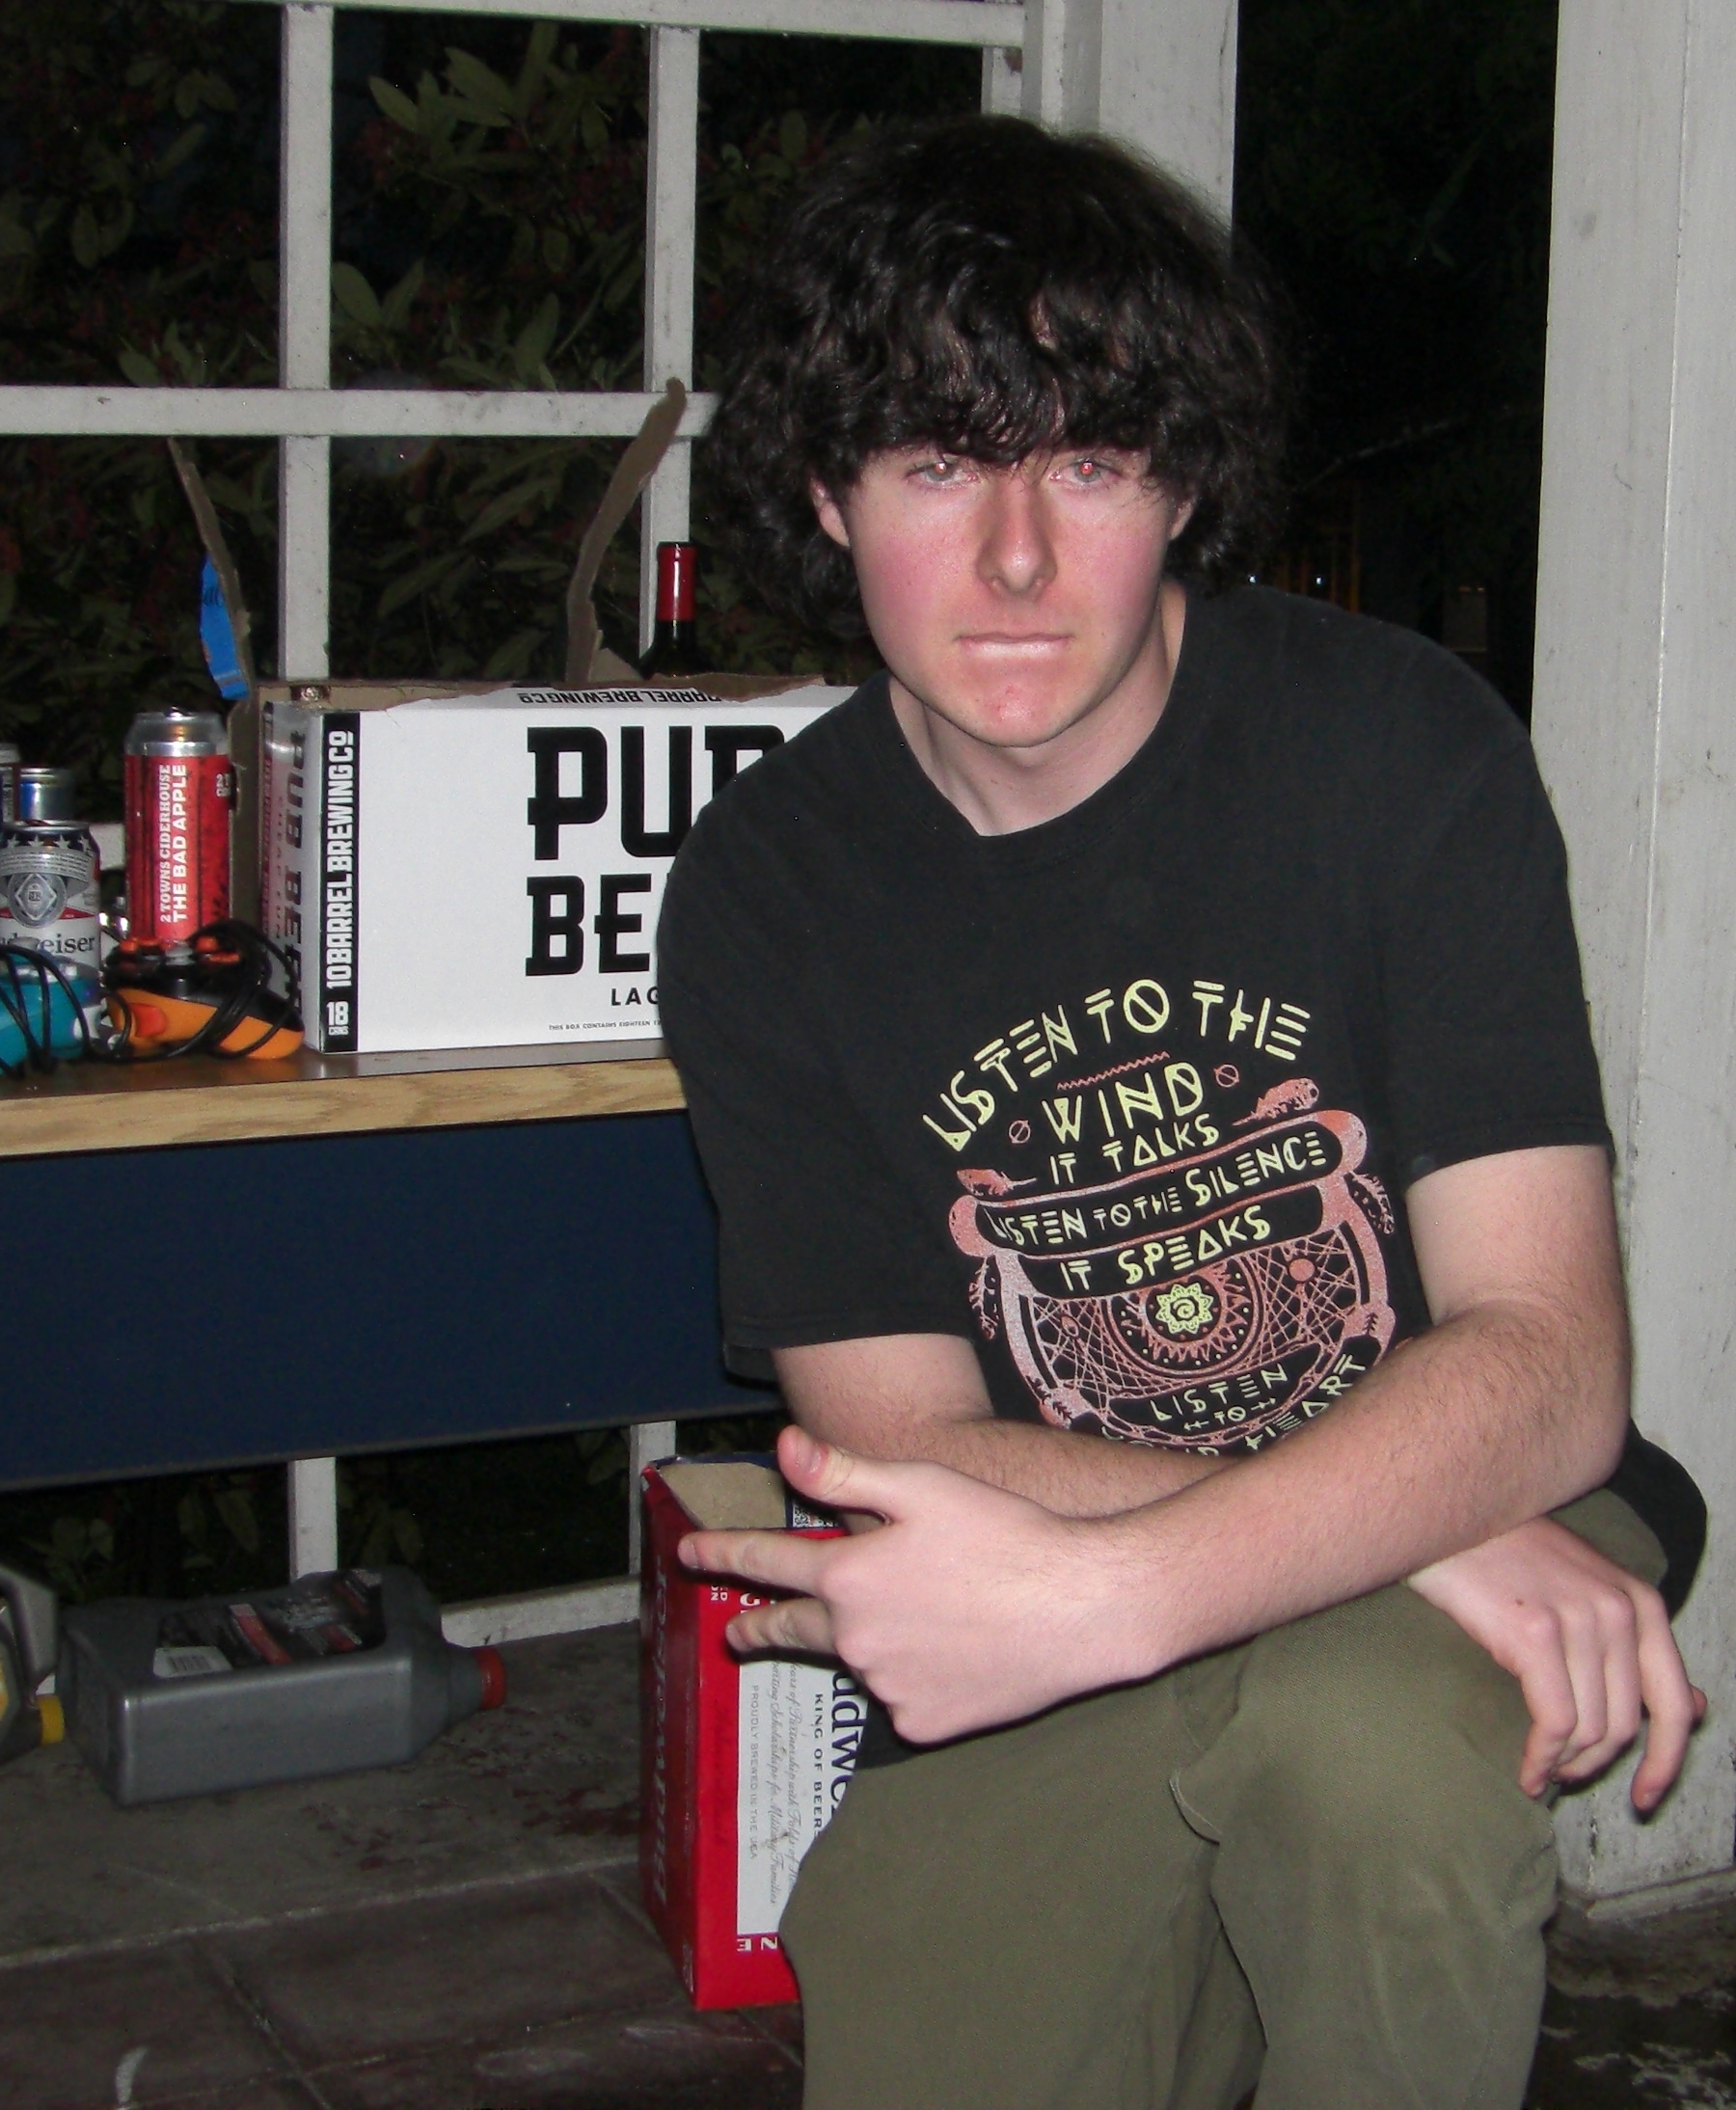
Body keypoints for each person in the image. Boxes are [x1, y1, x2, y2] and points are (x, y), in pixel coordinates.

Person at [656, 115, 1707, 2110]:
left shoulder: (1396, 745)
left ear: (1184, 484)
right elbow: (901, 1442)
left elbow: (1550, 1360)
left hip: (1432, 1484)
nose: (1017, 557)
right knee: (910, 1946)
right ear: (824, 492)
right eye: (937, 463)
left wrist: (1156, 1586)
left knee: (1370, 1765)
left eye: (1090, 462)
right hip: (1319, 1524)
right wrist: (1416, 1547)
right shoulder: (764, 894)